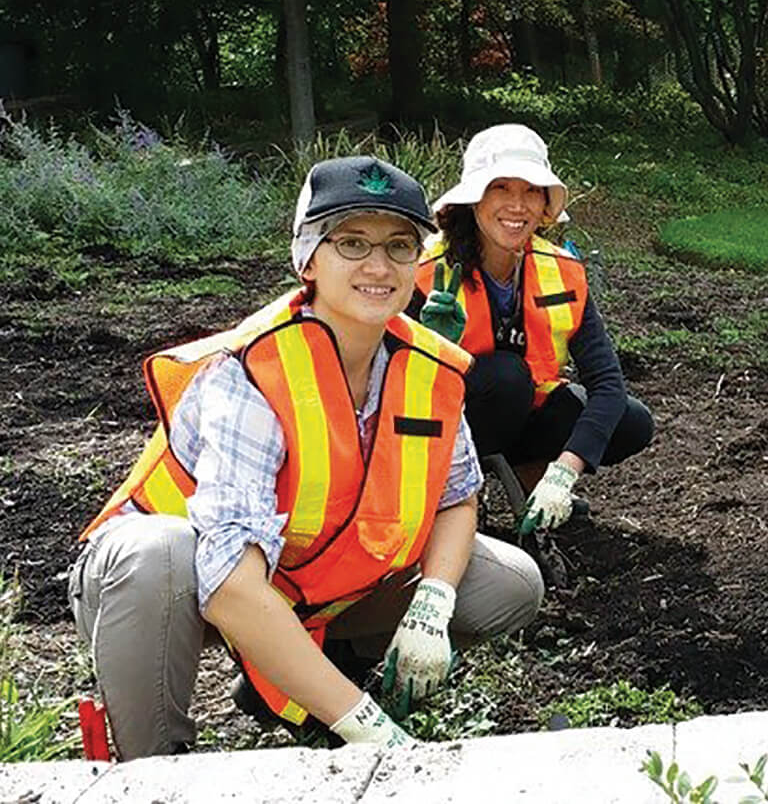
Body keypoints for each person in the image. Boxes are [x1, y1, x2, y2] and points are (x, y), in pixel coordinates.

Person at [69, 155, 545, 759]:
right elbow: (228, 586)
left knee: (507, 584)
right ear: (308, 260)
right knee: (156, 552)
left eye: (400, 246)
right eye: (351, 243)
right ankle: (156, 768)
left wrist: (433, 602)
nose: (378, 266)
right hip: (172, 588)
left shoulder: (429, 366)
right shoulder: (251, 369)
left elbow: (455, 498)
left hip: (308, 577)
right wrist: (364, 724)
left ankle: (317, 673)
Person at [414, 124, 653, 535]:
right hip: (443, 427)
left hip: (523, 414)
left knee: (632, 421)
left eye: (530, 191)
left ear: (544, 203)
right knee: (507, 378)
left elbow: (608, 385)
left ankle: (531, 475)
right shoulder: (423, 272)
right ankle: (458, 495)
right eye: (501, 188)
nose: (517, 205)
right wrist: (429, 341)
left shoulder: (560, 271)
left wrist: (564, 472)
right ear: (474, 199)